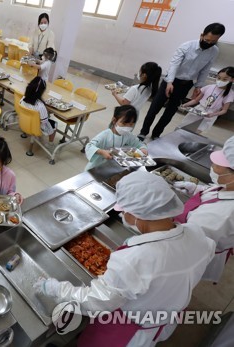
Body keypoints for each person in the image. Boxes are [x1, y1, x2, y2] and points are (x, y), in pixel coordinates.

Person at [35, 170, 215, 347]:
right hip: (164, 316)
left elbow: (95, 302)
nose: (121, 215)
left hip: (128, 332)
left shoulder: (136, 260)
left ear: (138, 214)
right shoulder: (196, 232)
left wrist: (56, 289)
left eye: (124, 210)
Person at [138, 23, 226, 141]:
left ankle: (156, 134)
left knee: (170, 113)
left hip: (185, 85)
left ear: (218, 39)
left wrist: (198, 86)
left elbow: (205, 69)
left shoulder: (214, 51)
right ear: (202, 35)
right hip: (170, 81)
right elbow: (174, 64)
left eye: (213, 41)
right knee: (154, 108)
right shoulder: (187, 46)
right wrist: (170, 82)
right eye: (207, 40)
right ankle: (143, 132)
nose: (209, 43)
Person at [174, 135, 234, 283]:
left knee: (180, 278)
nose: (212, 165)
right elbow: (216, 192)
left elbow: (187, 241)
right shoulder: (228, 186)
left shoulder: (222, 215)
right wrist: (195, 189)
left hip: (190, 252)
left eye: (218, 165)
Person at [85, 105, 148, 171]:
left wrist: (143, 149)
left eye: (131, 124)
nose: (127, 127)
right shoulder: (105, 135)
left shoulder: (128, 135)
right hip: (96, 167)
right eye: (124, 124)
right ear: (114, 120)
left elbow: (139, 144)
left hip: (112, 167)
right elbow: (89, 146)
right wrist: (101, 152)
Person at [179, 66, 234, 134]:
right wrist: (185, 104)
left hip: (210, 114)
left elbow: (224, 110)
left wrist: (213, 114)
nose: (220, 81)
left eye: (224, 79)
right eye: (219, 78)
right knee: (183, 127)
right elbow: (196, 100)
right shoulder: (209, 87)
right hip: (198, 110)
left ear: (232, 79)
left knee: (195, 132)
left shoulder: (230, 94)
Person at [20, 77, 57, 151]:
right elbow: (44, 121)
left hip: (25, 123)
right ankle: (50, 144)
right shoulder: (40, 106)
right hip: (36, 127)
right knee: (55, 123)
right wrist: (48, 112)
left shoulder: (23, 99)